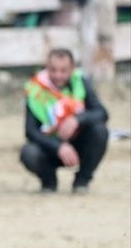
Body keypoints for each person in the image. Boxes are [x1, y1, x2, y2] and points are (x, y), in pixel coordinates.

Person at [20, 48, 108, 193]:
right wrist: (58, 147)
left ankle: (82, 182)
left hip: (78, 144)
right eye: (53, 70)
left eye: (63, 70)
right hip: (50, 148)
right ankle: (49, 183)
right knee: (29, 152)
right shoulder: (35, 90)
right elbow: (30, 131)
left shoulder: (81, 82)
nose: (58, 75)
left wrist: (77, 119)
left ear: (72, 69)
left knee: (100, 131)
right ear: (46, 68)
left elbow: (102, 113)